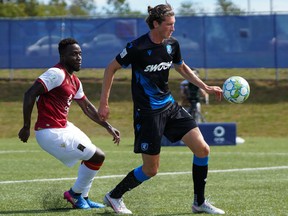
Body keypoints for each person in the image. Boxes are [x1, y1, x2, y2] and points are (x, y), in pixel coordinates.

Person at [98, 3, 225, 215]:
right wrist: (104, 102)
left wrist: (204, 86)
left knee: (202, 149)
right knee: (151, 170)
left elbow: (181, 67)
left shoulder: (172, 44)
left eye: (174, 24)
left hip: (170, 107)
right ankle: (114, 196)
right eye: (169, 24)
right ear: (156, 24)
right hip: (148, 113)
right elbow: (110, 68)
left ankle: (199, 203)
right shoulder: (136, 47)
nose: (173, 28)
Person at [18, 38, 121, 210]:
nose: (79, 57)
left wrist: (108, 127)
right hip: (51, 133)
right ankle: (74, 194)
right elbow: (29, 94)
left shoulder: (75, 81)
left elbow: (87, 107)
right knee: (97, 156)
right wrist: (26, 126)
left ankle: (83, 197)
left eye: (80, 54)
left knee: (93, 155)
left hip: (64, 127)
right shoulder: (55, 73)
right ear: (62, 56)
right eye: (73, 54)